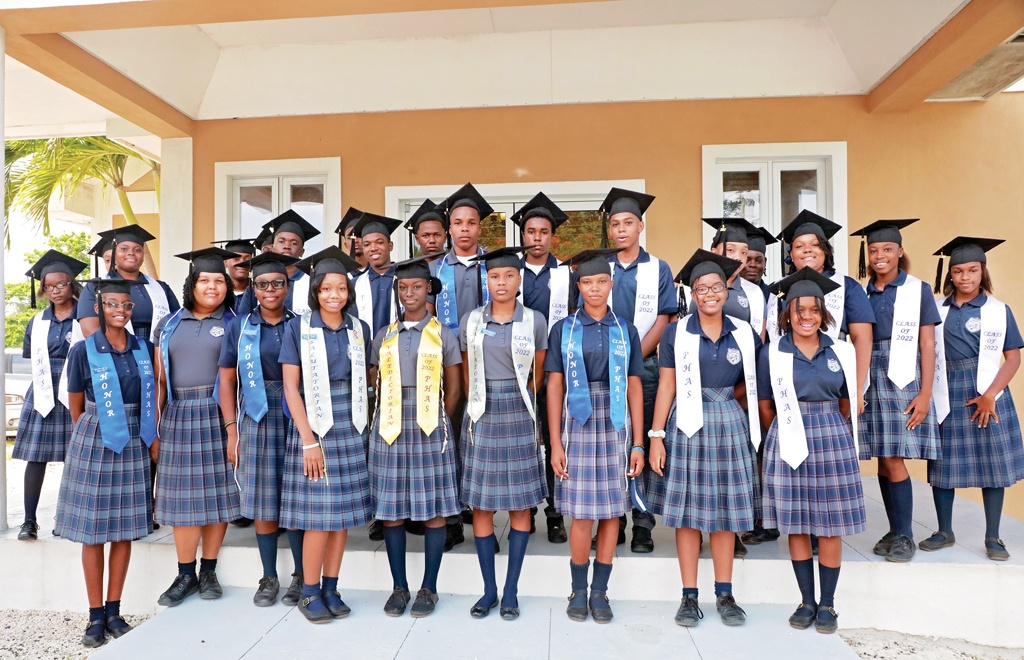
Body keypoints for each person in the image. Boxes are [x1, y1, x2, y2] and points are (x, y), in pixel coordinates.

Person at [648, 250, 761, 628]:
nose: (709, 294)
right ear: (692, 294)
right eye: (700, 289)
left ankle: (725, 593)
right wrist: (656, 436)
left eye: (715, 287)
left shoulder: (743, 331)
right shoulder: (676, 331)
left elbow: (752, 384)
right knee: (688, 515)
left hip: (729, 421)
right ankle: (689, 595)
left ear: (726, 289)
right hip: (687, 423)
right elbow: (667, 384)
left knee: (725, 515)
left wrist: (728, 404)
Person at [757, 267, 864, 635]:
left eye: (814, 310)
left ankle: (828, 604)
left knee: (830, 525)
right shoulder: (772, 352)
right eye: (799, 310)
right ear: (786, 313)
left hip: (831, 435)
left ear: (823, 313)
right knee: (797, 524)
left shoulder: (841, 351)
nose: (806, 317)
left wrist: (827, 423)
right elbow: (766, 405)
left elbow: (849, 401)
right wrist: (787, 432)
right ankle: (806, 601)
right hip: (787, 435)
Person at [546, 248, 645, 624]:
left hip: (616, 420)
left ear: (611, 283)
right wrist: (555, 441)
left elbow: (634, 385)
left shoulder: (626, 329)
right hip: (578, 420)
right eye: (587, 282)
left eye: (601, 281)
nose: (594, 289)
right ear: (578, 285)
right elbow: (554, 387)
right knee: (581, 514)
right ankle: (578, 589)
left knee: (611, 514)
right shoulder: (565, 329)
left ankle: (601, 592)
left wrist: (638, 440)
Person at [57, 278, 157, 647]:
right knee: (95, 532)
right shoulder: (84, 350)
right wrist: (88, 433)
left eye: (126, 305)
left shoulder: (142, 348)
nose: (121, 310)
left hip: (134, 437)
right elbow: (75, 400)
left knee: (125, 529)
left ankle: (115, 611)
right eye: (113, 304)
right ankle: (95, 615)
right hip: (96, 433)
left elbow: (152, 393)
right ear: (99, 307)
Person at [279, 246, 373, 624]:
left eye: (341, 289)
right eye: (326, 289)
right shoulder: (298, 328)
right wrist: (307, 440)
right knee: (319, 516)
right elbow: (289, 387)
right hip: (314, 421)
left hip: (351, 422)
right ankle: (310, 591)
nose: (334, 295)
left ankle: (332, 588)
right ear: (315, 291)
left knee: (343, 515)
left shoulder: (358, 328)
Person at [369, 254, 462, 618]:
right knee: (391, 510)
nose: (410, 293)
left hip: (429, 422)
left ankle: (429, 587)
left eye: (417, 287)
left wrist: (441, 423)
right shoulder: (385, 335)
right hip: (390, 424)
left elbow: (454, 389)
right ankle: (399, 587)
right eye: (403, 287)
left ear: (429, 291)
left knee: (434, 509)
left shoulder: (444, 334)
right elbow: (374, 380)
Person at [459, 247, 548, 620]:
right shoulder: (471, 321)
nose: (502, 283)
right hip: (481, 410)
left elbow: (538, 374)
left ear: (519, 280)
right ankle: (489, 590)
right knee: (482, 504)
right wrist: (477, 403)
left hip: (519, 410)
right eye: (495, 277)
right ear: (487, 280)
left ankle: (510, 590)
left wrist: (519, 395)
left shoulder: (534, 320)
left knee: (518, 504)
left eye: (509, 276)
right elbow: (466, 372)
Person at [924, 237, 1024, 561]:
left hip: (988, 391)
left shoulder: (998, 311)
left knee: (992, 464)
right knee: (943, 461)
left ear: (983, 272)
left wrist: (990, 395)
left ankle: (993, 536)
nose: (965, 277)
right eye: (958, 271)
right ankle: (944, 530)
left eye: (972, 270)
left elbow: (1012, 358)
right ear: (949, 274)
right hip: (946, 385)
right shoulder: (937, 310)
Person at [152, 248, 241, 607]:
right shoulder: (170, 324)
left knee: (218, 495)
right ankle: (184, 573)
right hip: (178, 414)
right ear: (192, 284)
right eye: (205, 280)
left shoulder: (236, 322)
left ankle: (209, 569)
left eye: (219, 280)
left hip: (219, 412)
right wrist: (154, 428)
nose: (212, 287)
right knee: (182, 499)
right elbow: (158, 381)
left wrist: (233, 425)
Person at [217, 252, 306, 607]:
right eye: (263, 284)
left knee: (298, 497)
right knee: (263, 498)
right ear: (253, 288)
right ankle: (269, 576)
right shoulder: (240, 326)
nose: (270, 290)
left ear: (287, 287)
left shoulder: (300, 324)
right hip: (255, 415)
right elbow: (225, 380)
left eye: (278, 283)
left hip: (294, 412)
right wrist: (231, 429)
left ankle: (301, 575)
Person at [853, 219, 940, 563]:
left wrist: (926, 392)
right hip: (869, 369)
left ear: (900, 251)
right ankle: (894, 528)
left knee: (894, 455)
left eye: (887, 249)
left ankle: (905, 534)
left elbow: (928, 344)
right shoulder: (863, 291)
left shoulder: (917, 289)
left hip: (903, 374)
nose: (879, 256)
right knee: (882, 456)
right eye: (873, 250)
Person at [597, 188, 675, 553]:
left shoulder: (657, 268)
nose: (622, 229)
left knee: (638, 438)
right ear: (609, 230)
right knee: (608, 442)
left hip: (643, 366)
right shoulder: (600, 268)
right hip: (602, 368)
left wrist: (630, 357)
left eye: (628, 222)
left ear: (640, 226)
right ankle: (610, 517)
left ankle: (642, 521)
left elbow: (664, 317)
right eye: (615, 224)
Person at [430, 182, 494, 549]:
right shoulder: (435, 269)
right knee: (450, 438)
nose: (465, 228)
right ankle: (452, 517)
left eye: (471, 222)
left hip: (489, 367)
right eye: (458, 222)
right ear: (449, 228)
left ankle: (481, 508)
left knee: (481, 442)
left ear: (479, 228)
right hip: (447, 369)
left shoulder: (496, 267)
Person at [511, 192, 573, 543]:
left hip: (555, 371)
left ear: (552, 236)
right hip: (517, 372)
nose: (537, 237)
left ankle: (554, 512)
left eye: (543, 231)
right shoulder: (509, 273)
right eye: (531, 231)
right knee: (522, 440)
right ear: (523, 235)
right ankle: (526, 507)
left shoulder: (566, 274)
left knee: (554, 441)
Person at [14, 251, 87, 540]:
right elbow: (32, 355)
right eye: (49, 286)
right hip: (44, 387)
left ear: (72, 285)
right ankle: (29, 521)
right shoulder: (38, 320)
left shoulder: (87, 316)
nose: (55, 291)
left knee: (76, 457)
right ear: (43, 289)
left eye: (61, 284)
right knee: (36, 456)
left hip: (76, 386)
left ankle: (66, 517)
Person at [78, 225, 179, 342]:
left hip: (156, 352)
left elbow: (176, 323)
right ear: (114, 254)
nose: (131, 253)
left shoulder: (161, 288)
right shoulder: (96, 286)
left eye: (137, 250)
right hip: (114, 353)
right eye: (124, 249)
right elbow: (91, 331)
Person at [237, 210, 322, 315]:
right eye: (281, 241)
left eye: (294, 243)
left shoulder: (312, 279)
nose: (287, 246)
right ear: (272, 248)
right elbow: (243, 317)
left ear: (302, 251)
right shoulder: (260, 279)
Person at [351, 212, 402, 337]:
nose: (373, 248)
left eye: (379, 242)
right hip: (365, 350)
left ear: (390, 246)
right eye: (367, 244)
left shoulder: (404, 279)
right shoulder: (354, 284)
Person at [212, 238, 257, 306]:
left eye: (247, 259)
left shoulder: (259, 293)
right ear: (225, 263)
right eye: (236, 259)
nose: (242, 262)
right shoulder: (217, 293)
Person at [742, 226, 777, 301]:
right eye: (747, 260)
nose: (753, 265)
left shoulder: (773, 296)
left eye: (759, 260)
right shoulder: (728, 294)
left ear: (765, 262)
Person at [335, 207, 369, 271]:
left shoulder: (378, 272)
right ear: (345, 245)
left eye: (359, 235)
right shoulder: (340, 273)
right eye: (350, 238)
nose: (355, 240)